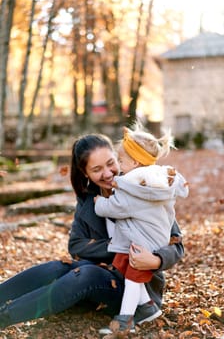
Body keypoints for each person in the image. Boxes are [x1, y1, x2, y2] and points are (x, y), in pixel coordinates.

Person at [0, 133, 184, 334]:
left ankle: (4, 317)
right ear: (86, 173)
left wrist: (155, 260)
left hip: (136, 286)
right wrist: (116, 246)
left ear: (119, 158)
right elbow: (76, 245)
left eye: (111, 163)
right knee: (57, 267)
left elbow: (176, 243)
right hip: (100, 274)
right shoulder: (88, 201)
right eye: (97, 169)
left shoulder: (143, 189)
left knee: (85, 273)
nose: (108, 174)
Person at [95, 125, 189, 334]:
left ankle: (124, 322)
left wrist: (99, 202)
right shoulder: (159, 179)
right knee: (130, 273)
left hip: (144, 244)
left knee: (131, 281)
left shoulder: (135, 187)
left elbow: (116, 208)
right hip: (155, 239)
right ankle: (148, 307)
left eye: (121, 161)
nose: (118, 166)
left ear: (135, 162)